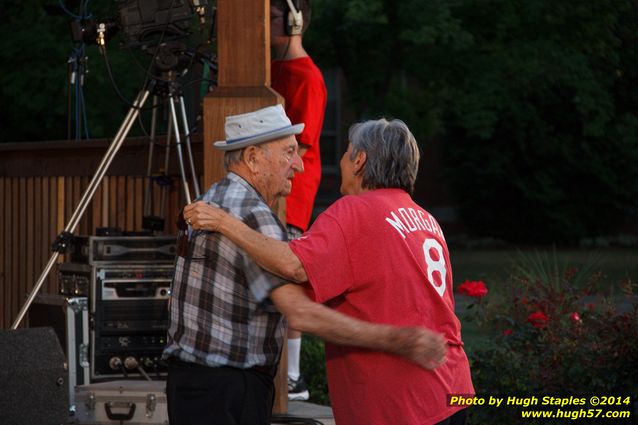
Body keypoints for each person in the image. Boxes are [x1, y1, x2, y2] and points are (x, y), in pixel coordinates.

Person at [164, 105, 448, 425]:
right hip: (226, 389)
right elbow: (301, 309)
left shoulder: (219, 197)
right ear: (254, 158)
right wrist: (396, 339)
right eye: (289, 152)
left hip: (196, 382)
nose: (299, 165)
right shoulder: (253, 216)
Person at [270, 0, 328, 400]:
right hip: (269, 184)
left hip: (290, 190)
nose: (264, 25)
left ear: (293, 21)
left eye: (270, 17)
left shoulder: (307, 76)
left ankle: (293, 378)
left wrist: (274, 182)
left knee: (287, 278)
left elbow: (301, 145)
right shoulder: (271, 70)